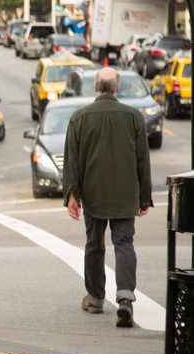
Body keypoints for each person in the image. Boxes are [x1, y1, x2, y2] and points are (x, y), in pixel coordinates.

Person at [62, 67, 152, 328]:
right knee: (124, 243)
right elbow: (142, 161)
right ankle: (125, 298)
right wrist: (144, 197)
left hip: (93, 193)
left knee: (94, 244)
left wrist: (72, 195)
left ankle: (95, 297)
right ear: (117, 87)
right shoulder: (134, 117)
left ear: (95, 87)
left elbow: (72, 161)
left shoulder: (80, 117)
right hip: (125, 194)